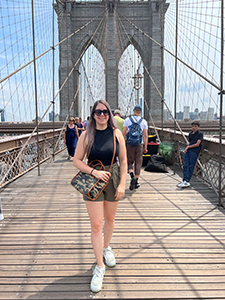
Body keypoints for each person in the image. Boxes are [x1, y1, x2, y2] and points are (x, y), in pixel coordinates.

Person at [73, 100, 127, 293]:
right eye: (98, 112)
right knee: (96, 224)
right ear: (93, 114)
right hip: (93, 179)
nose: (102, 114)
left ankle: (106, 248)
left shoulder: (117, 134)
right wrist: (94, 172)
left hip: (112, 178)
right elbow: (76, 161)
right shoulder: (87, 135)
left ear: (110, 114)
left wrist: (122, 183)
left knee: (110, 220)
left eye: (105, 111)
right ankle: (99, 266)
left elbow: (123, 160)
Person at [122, 104, 148, 190]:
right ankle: (136, 181)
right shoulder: (143, 121)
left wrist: (122, 144)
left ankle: (132, 176)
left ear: (133, 110)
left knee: (129, 162)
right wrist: (145, 147)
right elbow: (145, 135)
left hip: (129, 144)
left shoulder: (127, 120)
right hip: (139, 144)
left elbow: (123, 133)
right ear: (141, 112)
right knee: (138, 162)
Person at [177, 121, 203, 188]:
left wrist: (188, 147)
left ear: (198, 127)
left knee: (191, 166)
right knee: (185, 165)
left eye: (195, 126)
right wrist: (187, 147)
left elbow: (197, 144)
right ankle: (184, 180)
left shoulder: (200, 134)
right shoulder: (190, 134)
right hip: (189, 150)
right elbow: (190, 142)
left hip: (194, 151)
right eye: (193, 126)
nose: (193, 127)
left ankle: (187, 180)